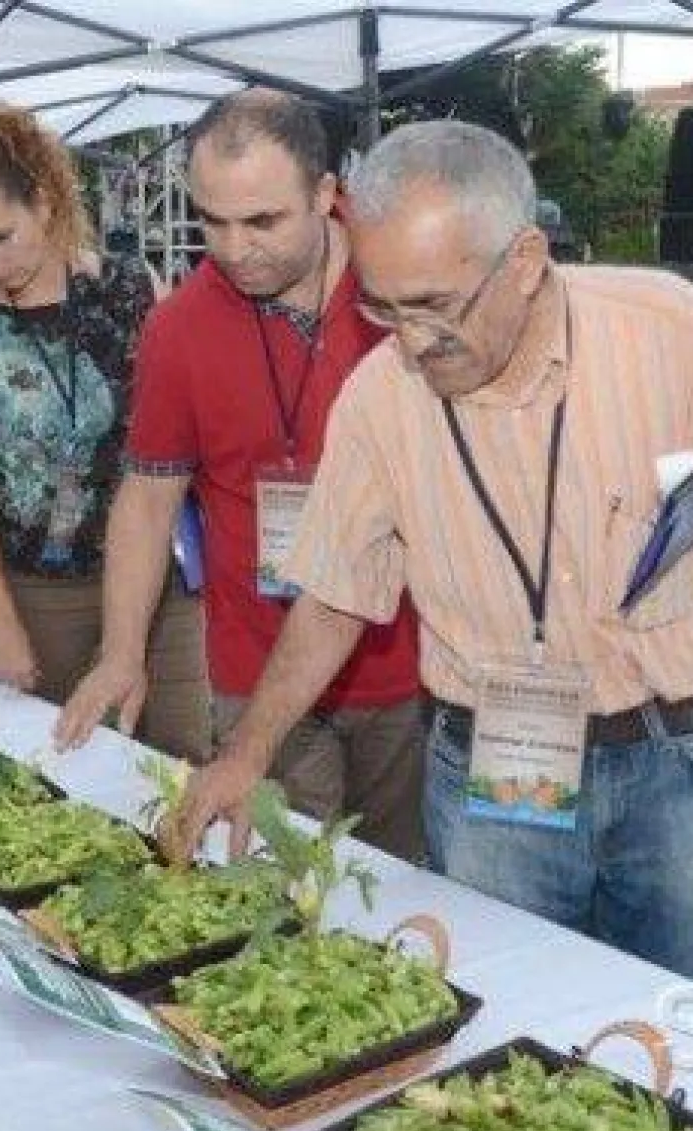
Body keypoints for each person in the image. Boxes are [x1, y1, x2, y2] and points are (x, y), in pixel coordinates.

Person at [176, 121, 693, 987]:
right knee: (511, 1030)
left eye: (436, 305)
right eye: (383, 305)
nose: (408, 340)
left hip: (676, 760)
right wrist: (245, 753)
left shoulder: (682, 332)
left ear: (523, 261)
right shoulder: (379, 397)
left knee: (668, 1043)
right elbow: (332, 593)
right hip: (494, 772)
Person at [53, 91, 424, 857]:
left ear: (327, 195)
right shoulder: (179, 325)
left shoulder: (402, 295)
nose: (233, 248)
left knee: (400, 895)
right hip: (254, 673)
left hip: (409, 668)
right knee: (283, 900)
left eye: (262, 221)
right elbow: (150, 497)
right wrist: (123, 651)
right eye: (210, 222)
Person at [0, 101, 208, 761]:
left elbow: (174, 437)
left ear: (46, 203)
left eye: (2, 237)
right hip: (39, 596)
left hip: (153, 588)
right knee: (61, 773)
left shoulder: (133, 288)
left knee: (179, 761)